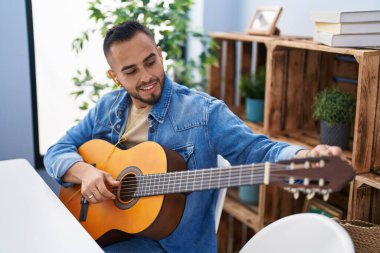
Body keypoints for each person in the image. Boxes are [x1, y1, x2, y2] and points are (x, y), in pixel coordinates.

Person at [44, 20, 343, 253]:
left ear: (160, 54)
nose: (146, 76)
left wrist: (301, 158)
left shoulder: (203, 112)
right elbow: (58, 150)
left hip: (172, 247)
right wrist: (87, 172)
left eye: (150, 61)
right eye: (131, 71)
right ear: (115, 77)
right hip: (113, 231)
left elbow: (257, 150)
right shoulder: (107, 109)